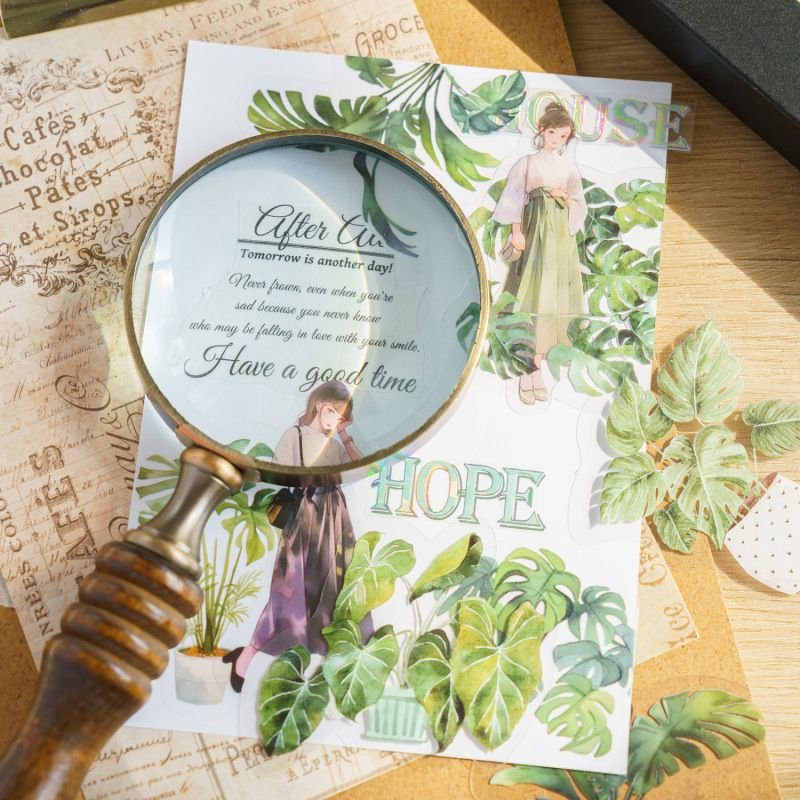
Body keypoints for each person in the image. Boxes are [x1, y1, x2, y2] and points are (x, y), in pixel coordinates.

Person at [223, 380, 363, 692]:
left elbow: (360, 468)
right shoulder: (295, 435)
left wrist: (344, 435)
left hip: (334, 518)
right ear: (321, 406)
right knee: (290, 590)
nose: (337, 421)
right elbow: (280, 473)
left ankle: (318, 670)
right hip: (304, 514)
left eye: (343, 417)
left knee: (331, 590)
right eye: (335, 413)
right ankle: (247, 656)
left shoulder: (336, 445)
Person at [492, 101, 588, 404]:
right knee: (531, 297)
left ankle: (537, 372)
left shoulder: (568, 168)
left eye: (563, 136)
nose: (556, 140)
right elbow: (514, 198)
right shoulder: (527, 163)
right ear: (542, 130)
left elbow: (578, 202)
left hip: (559, 240)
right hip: (535, 234)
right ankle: (528, 372)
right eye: (552, 133)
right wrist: (517, 232)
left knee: (552, 299)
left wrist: (566, 198)